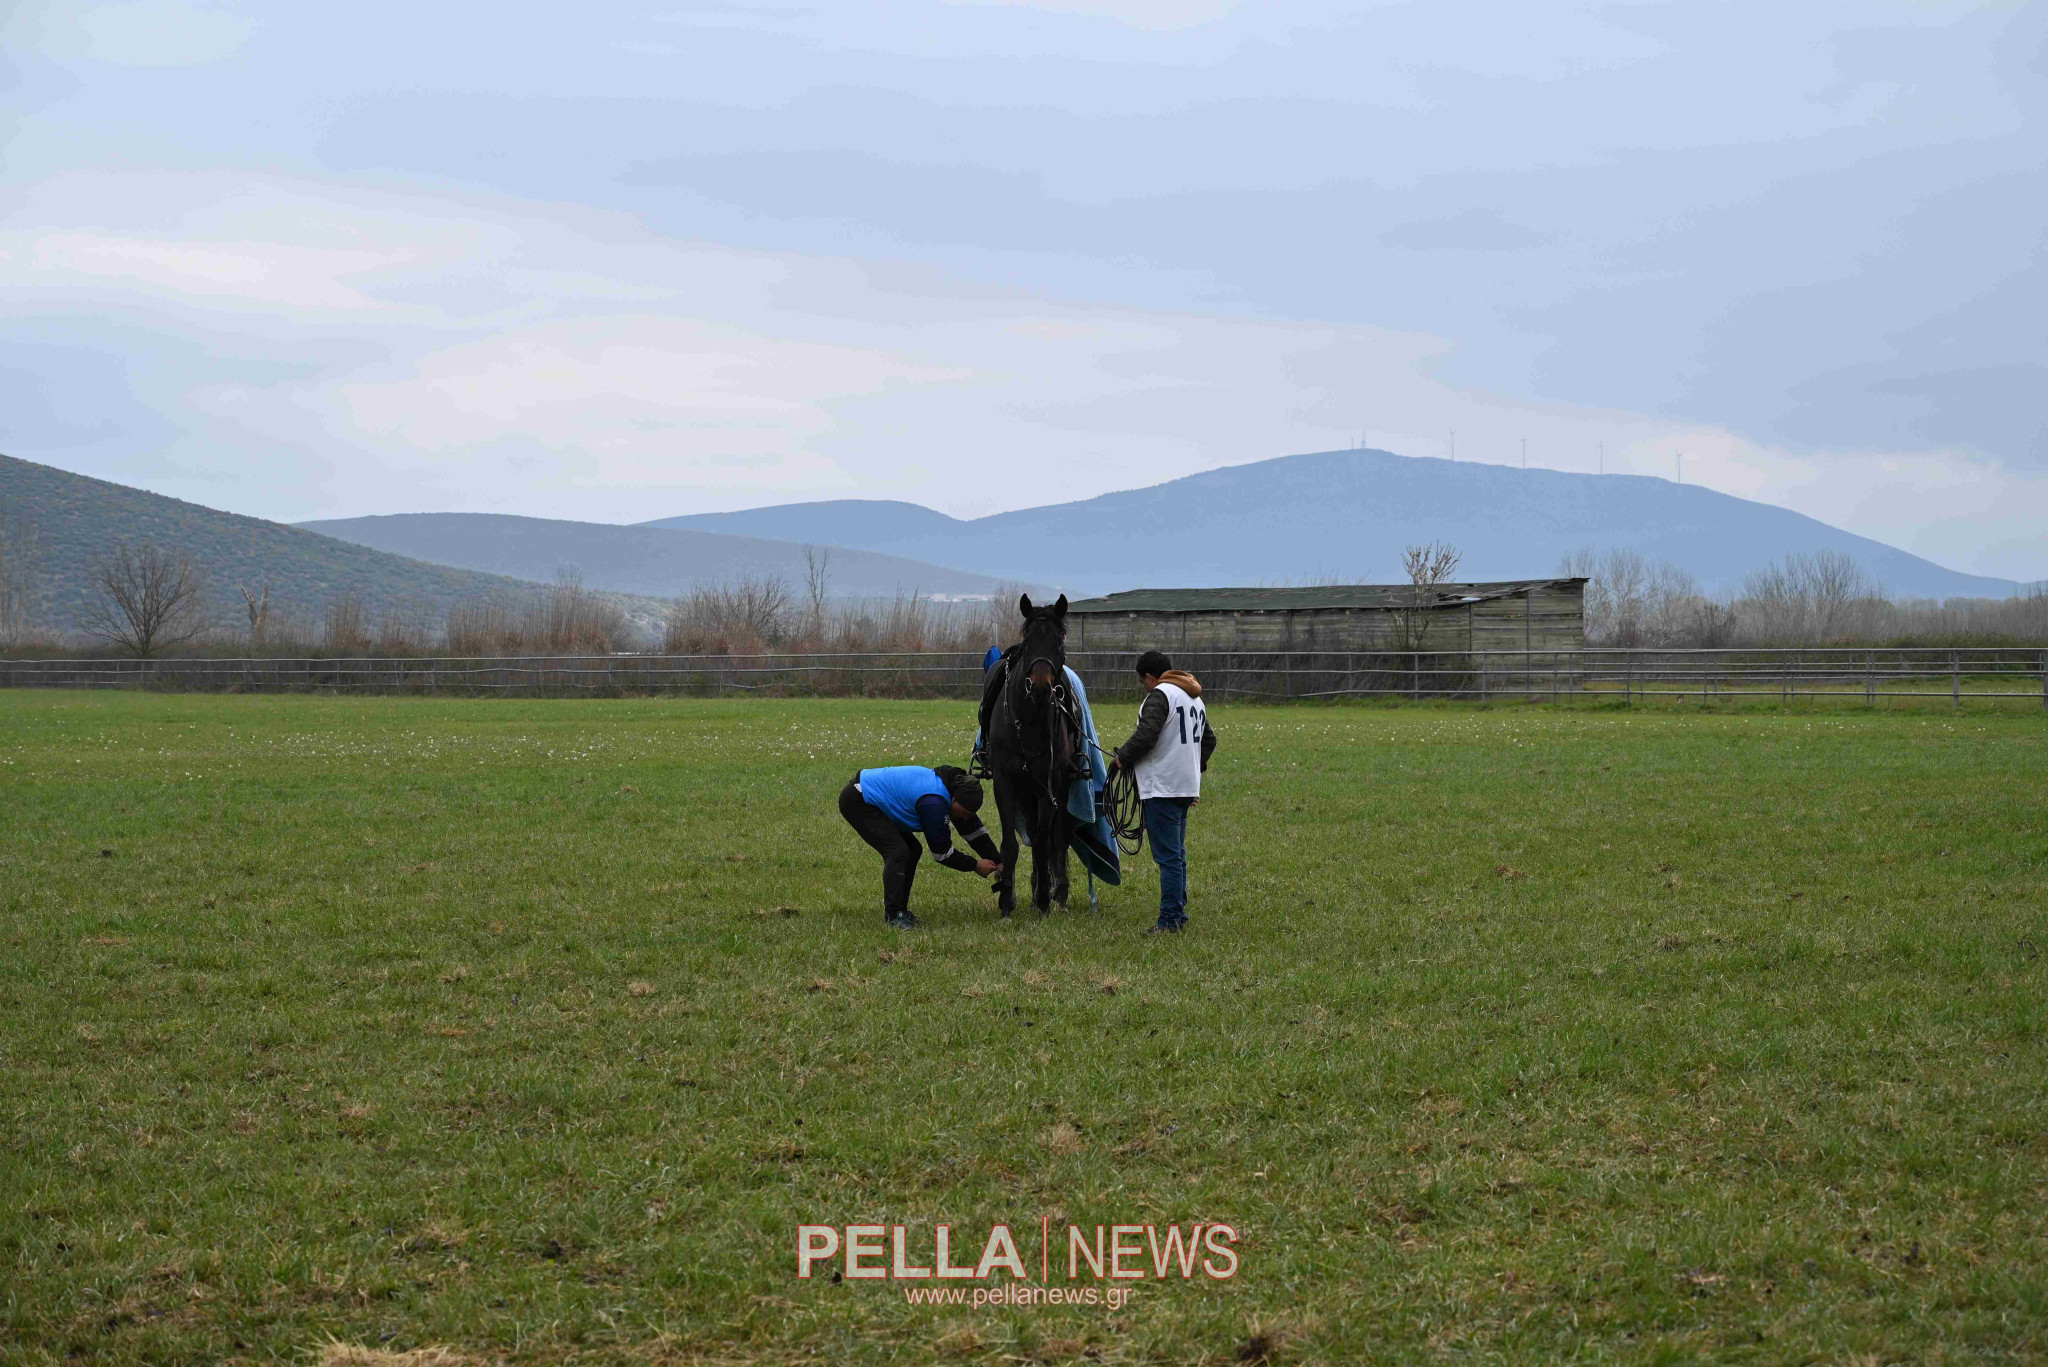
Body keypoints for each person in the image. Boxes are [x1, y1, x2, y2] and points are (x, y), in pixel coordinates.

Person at [1107, 650, 1218, 935]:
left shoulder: (1160, 695)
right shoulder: (1195, 697)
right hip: (1184, 787)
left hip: (1162, 788)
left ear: (1149, 677)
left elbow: (1147, 735)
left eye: (1143, 682)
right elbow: (1209, 740)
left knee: (1168, 858)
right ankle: (1177, 914)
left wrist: (1122, 758)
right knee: (1176, 855)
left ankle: (1170, 919)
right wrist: (1192, 772)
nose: (1145, 687)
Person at [839, 764, 1002, 928]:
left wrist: (998, 861)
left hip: (866, 795)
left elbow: (973, 832)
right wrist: (975, 865)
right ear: (954, 800)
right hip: (859, 801)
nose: (966, 818)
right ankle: (894, 915)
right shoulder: (934, 803)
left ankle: (900, 911)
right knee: (898, 851)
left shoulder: (952, 790)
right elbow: (942, 853)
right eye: (966, 813)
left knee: (912, 849)